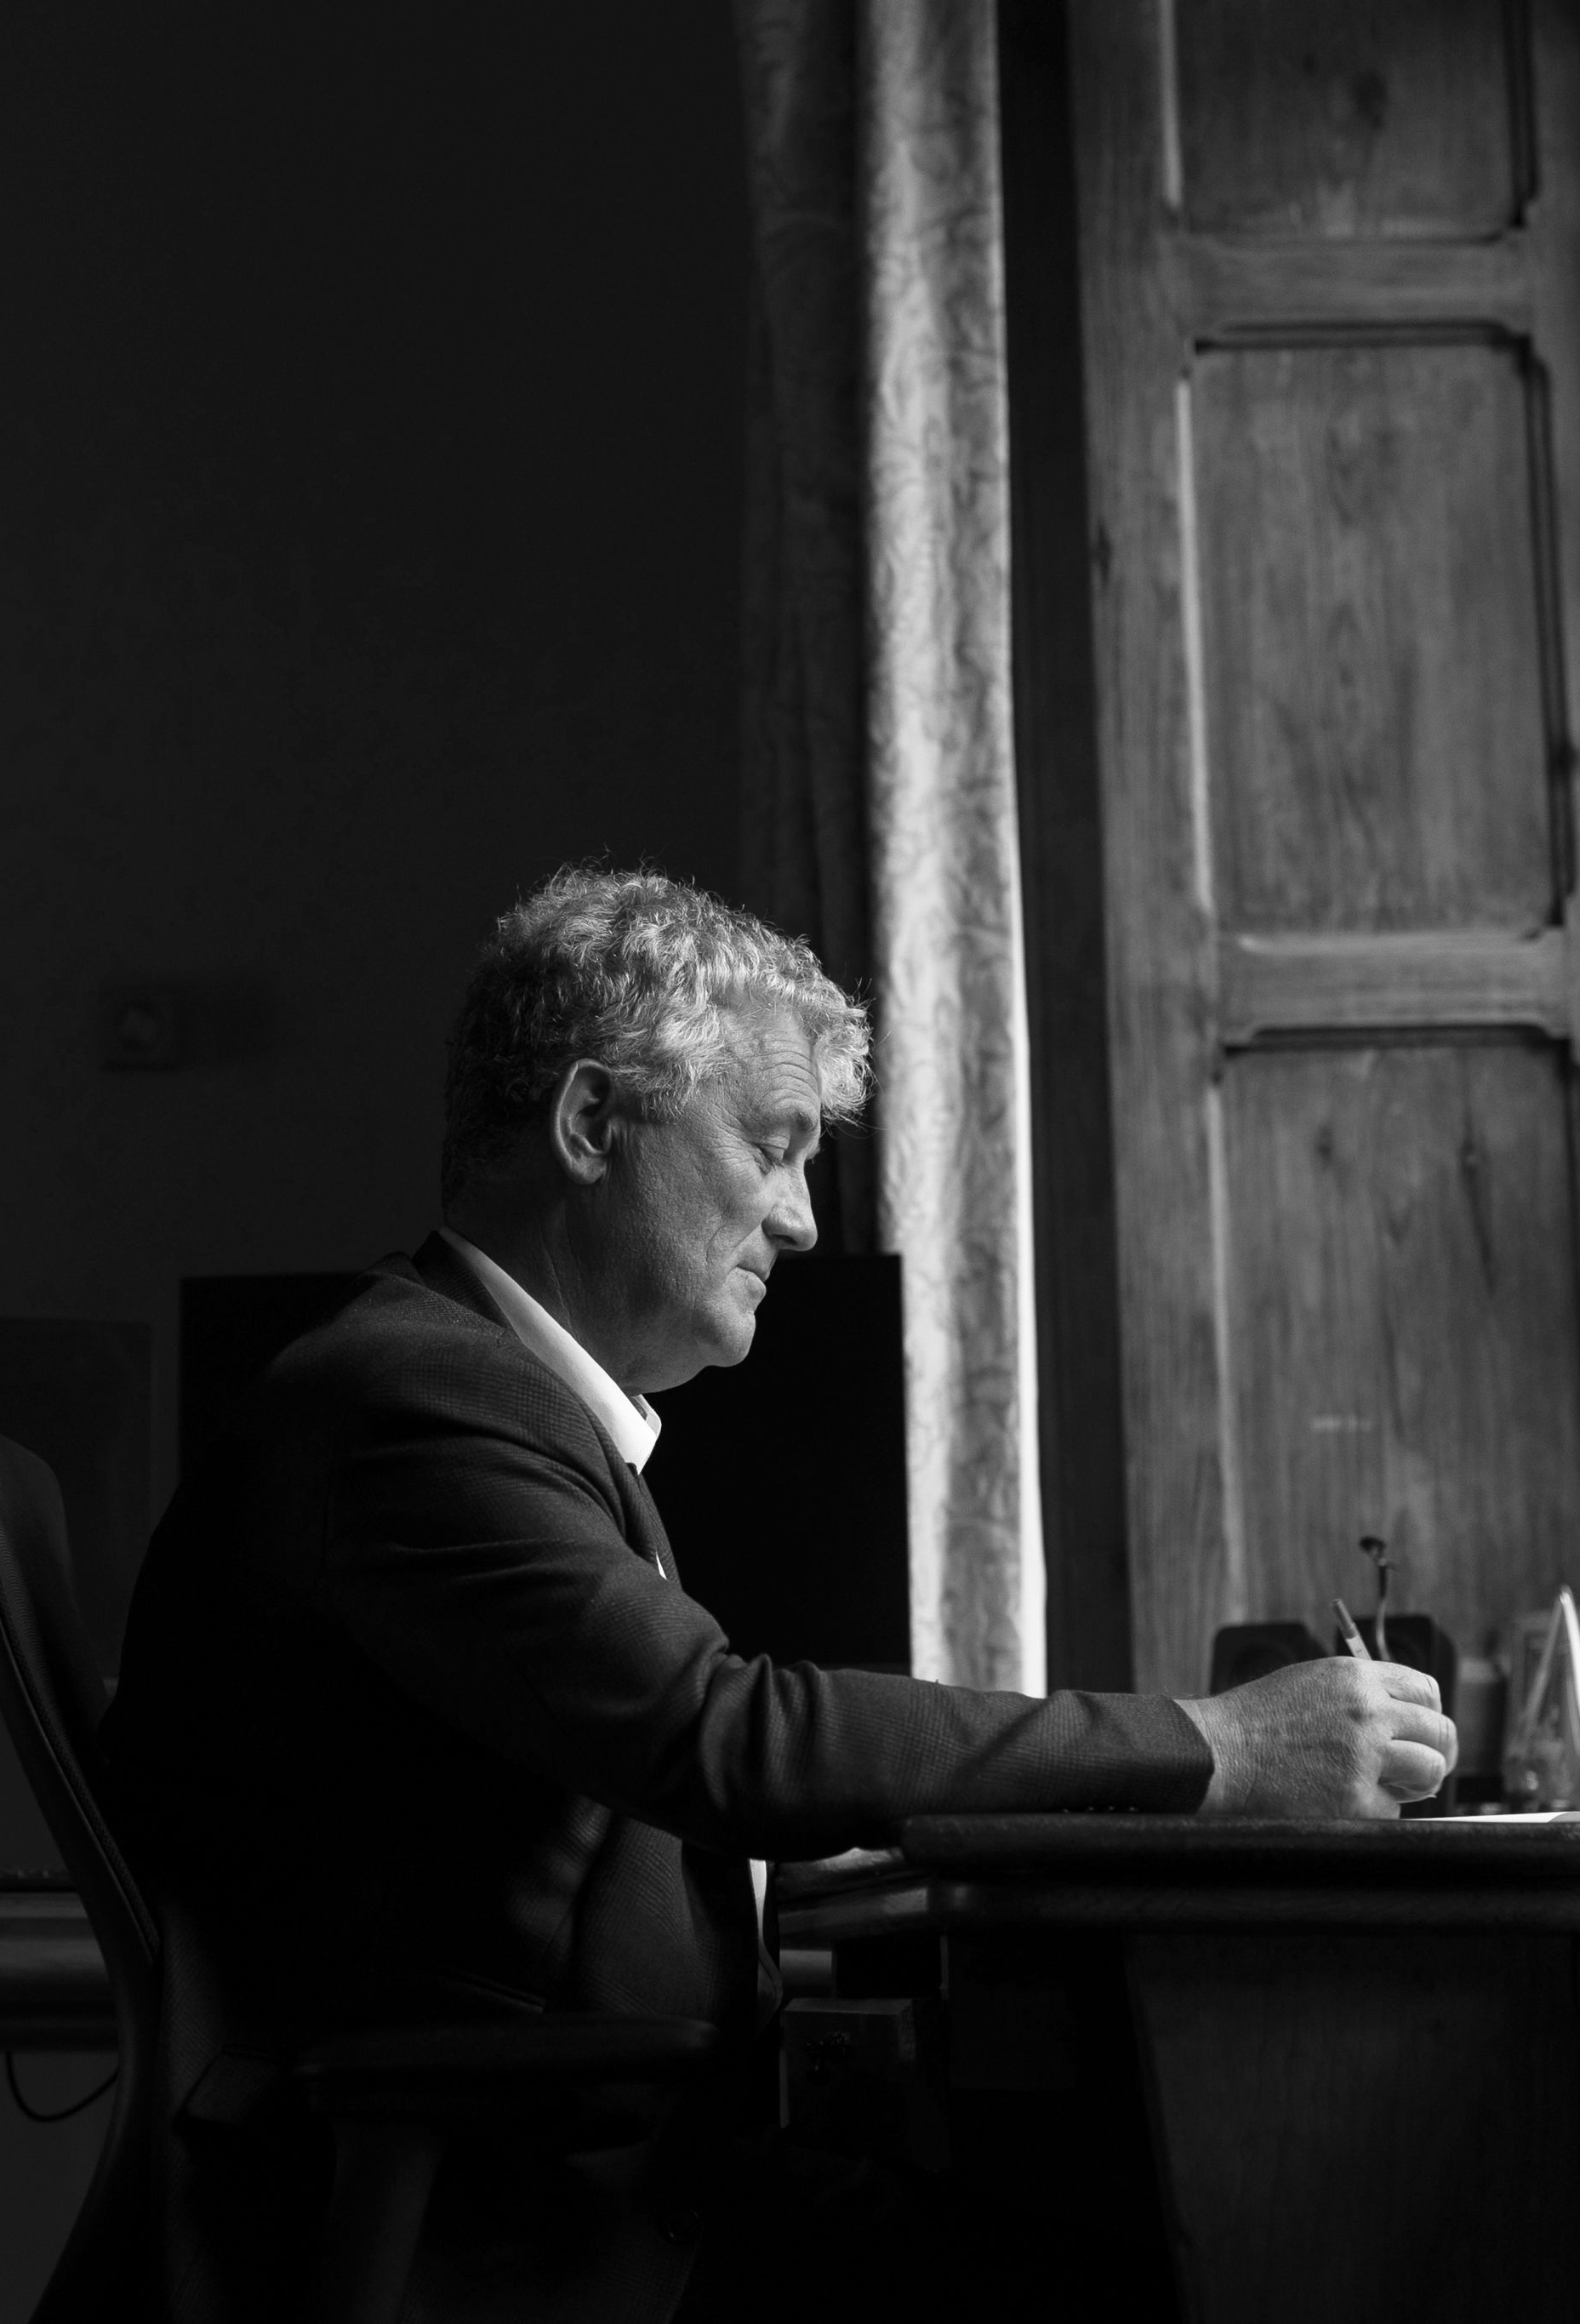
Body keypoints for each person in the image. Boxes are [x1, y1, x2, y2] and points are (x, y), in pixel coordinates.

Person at [105, 865, 1453, 2321]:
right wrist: (1221, 1748)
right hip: (529, 2231)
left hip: (574, 2180)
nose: (804, 1222)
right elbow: (722, 1736)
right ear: (588, 1124)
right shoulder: (416, 1406)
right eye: (774, 1145)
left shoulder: (477, 1396)